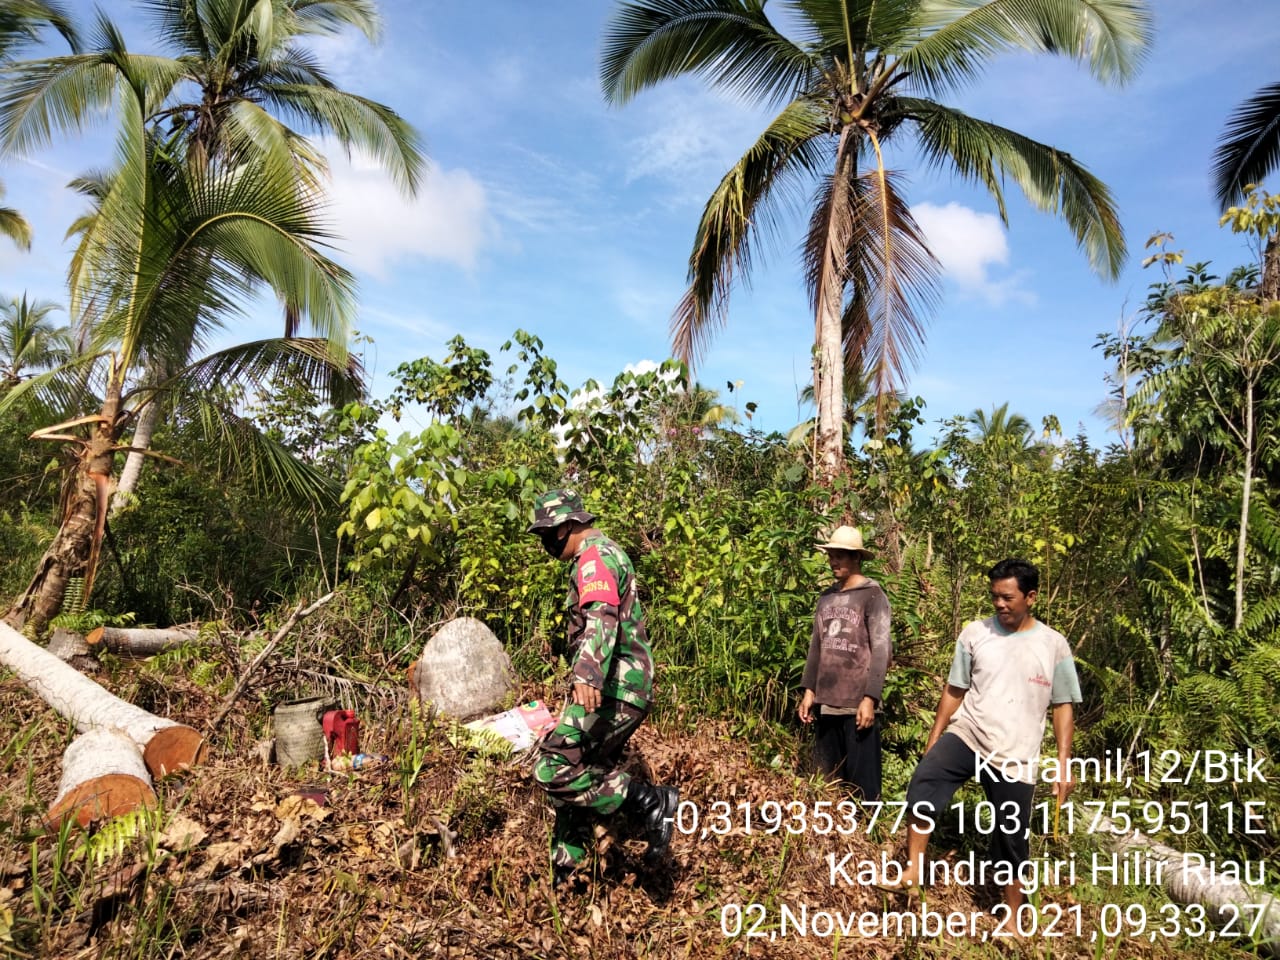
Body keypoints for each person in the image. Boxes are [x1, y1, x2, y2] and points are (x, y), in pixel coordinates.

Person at [894, 558, 1081, 912]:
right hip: (969, 733)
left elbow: (1062, 706)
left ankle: (1012, 919)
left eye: (1008, 597)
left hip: (1016, 753)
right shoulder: (975, 634)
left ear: (1031, 597)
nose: (999, 604)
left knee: (1011, 839)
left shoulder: (1054, 645)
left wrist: (1063, 762)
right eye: (995, 596)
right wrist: (936, 734)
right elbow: (955, 688)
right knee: (926, 780)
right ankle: (913, 870)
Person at [527, 488, 679, 886]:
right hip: (622, 687)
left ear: (571, 526)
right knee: (575, 766)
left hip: (615, 687)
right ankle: (569, 867)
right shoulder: (600, 555)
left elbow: (601, 618)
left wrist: (587, 675)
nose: (546, 543)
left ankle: (649, 801)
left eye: (550, 533)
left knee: (552, 766)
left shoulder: (594, 558)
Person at [798, 525, 892, 801]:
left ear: (857, 559)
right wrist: (809, 691)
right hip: (827, 704)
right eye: (831, 555)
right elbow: (817, 646)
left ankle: (867, 837)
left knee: (864, 786)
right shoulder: (826, 598)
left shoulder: (873, 596)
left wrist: (869, 698)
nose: (834, 561)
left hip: (857, 705)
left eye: (840, 555)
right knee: (828, 783)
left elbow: (881, 651)